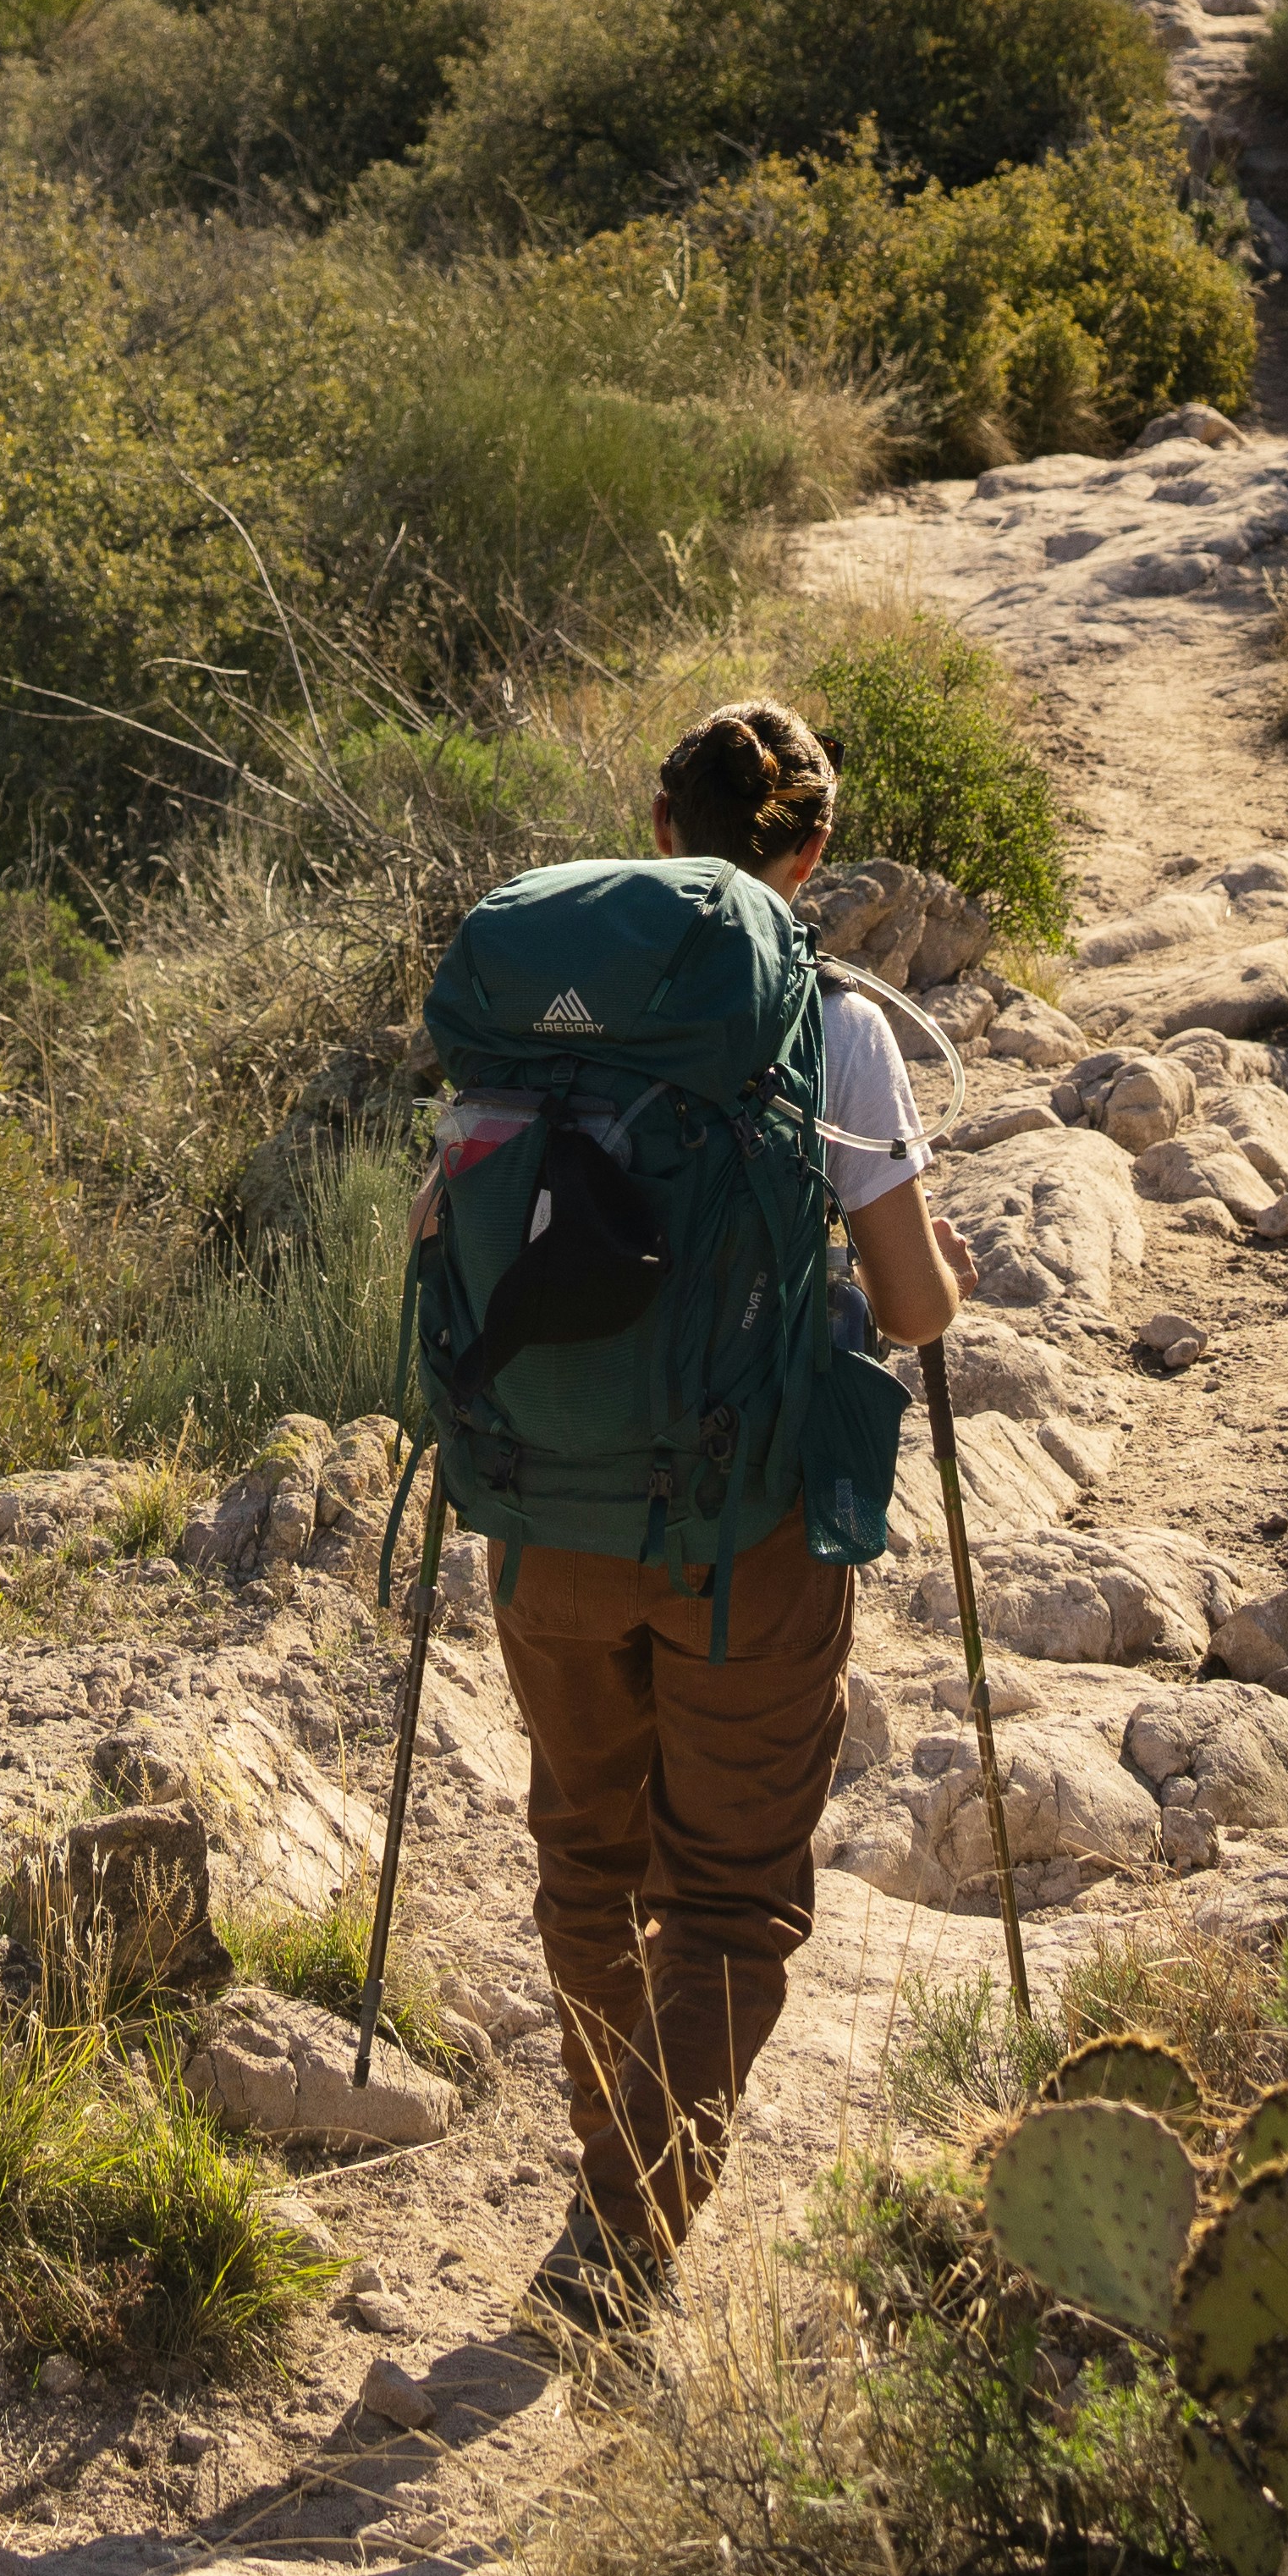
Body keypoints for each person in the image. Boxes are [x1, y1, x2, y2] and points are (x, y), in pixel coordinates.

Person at [499, 692, 963, 2327]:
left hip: (544, 1508)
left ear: (660, 836)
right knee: (730, 1899)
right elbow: (910, 1310)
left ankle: (610, 2163)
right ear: (814, 856)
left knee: (585, 1854)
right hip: (740, 1533)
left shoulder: (542, 1007)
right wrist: (930, 1272)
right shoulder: (833, 1023)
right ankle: (627, 2230)